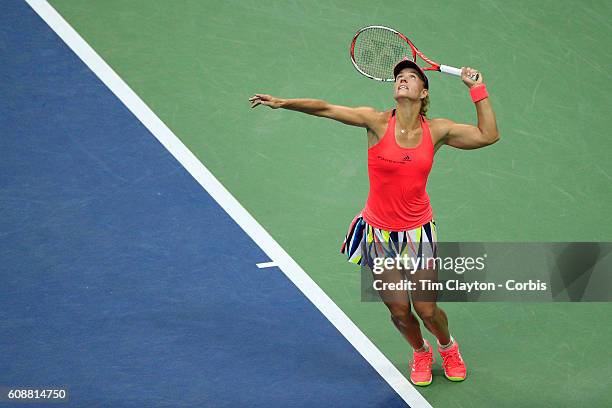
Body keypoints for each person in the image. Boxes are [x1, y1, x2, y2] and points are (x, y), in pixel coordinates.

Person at [249, 59, 499, 386]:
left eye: (411, 77)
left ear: (424, 93)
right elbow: (325, 108)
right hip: (378, 234)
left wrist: (476, 89)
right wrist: (285, 103)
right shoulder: (376, 122)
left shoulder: (437, 130)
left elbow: (488, 135)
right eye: (399, 77)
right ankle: (420, 351)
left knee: (426, 310)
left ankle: (447, 346)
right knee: (399, 311)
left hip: (417, 233)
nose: (402, 81)